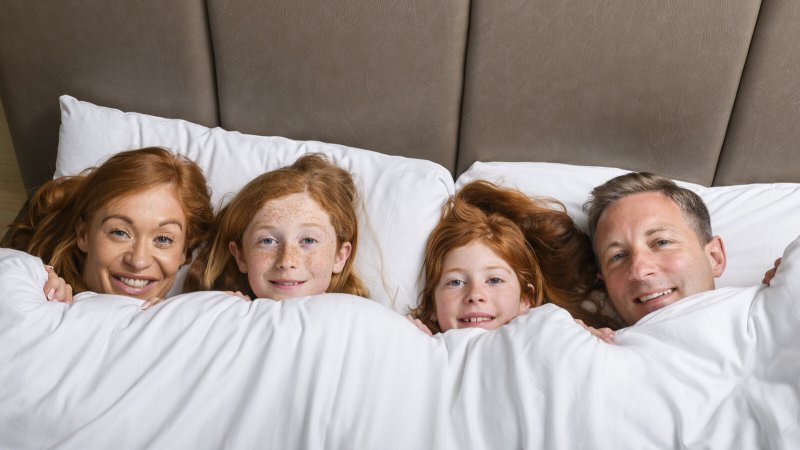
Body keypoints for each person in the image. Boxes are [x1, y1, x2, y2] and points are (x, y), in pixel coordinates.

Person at [2, 147, 214, 308]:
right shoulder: (36, 295)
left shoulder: (194, 324)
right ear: (83, 234)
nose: (138, 261)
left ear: (184, 252)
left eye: (163, 239)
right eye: (119, 233)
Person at [407, 180, 615, 338]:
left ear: (525, 298)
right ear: (432, 307)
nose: (475, 295)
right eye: (455, 282)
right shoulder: (421, 343)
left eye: (494, 280)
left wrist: (577, 338)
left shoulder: (546, 331)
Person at [184, 153, 368, 300]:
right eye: (268, 241)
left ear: (339, 256)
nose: (287, 261)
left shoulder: (361, 322)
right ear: (240, 255)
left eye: (309, 240)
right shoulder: (217, 314)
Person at [584, 172, 727, 326]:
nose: (639, 272)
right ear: (605, 286)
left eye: (662, 242)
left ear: (714, 257)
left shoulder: (754, 316)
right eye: (617, 256)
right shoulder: (587, 346)